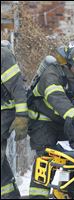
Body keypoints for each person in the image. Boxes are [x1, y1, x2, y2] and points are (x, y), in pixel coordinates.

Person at [27, 41, 74, 198]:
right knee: (45, 160)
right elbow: (56, 98)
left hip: (64, 122)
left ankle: (70, 193)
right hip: (43, 123)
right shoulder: (51, 74)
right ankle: (38, 196)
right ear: (67, 63)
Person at [1, 42, 28, 199]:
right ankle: (11, 195)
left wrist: (21, 116)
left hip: (4, 112)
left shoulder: (3, 55)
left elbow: (17, 88)